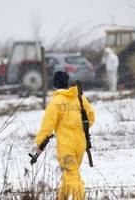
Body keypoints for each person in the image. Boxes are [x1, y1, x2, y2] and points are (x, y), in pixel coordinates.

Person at [33, 71, 95, 200]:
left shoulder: (56, 101)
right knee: (70, 174)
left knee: (72, 175)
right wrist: (78, 128)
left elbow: (47, 126)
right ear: (67, 82)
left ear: (55, 84)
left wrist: (40, 143)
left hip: (66, 146)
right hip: (81, 144)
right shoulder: (80, 98)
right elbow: (91, 118)